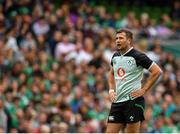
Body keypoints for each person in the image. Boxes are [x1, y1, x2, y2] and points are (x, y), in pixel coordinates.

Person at [106, 29, 162, 133]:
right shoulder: (115, 56)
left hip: (133, 102)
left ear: (129, 40)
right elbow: (111, 73)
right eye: (116, 38)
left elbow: (157, 71)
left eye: (121, 38)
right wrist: (111, 90)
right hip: (117, 102)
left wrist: (144, 89)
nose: (118, 40)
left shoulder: (138, 56)